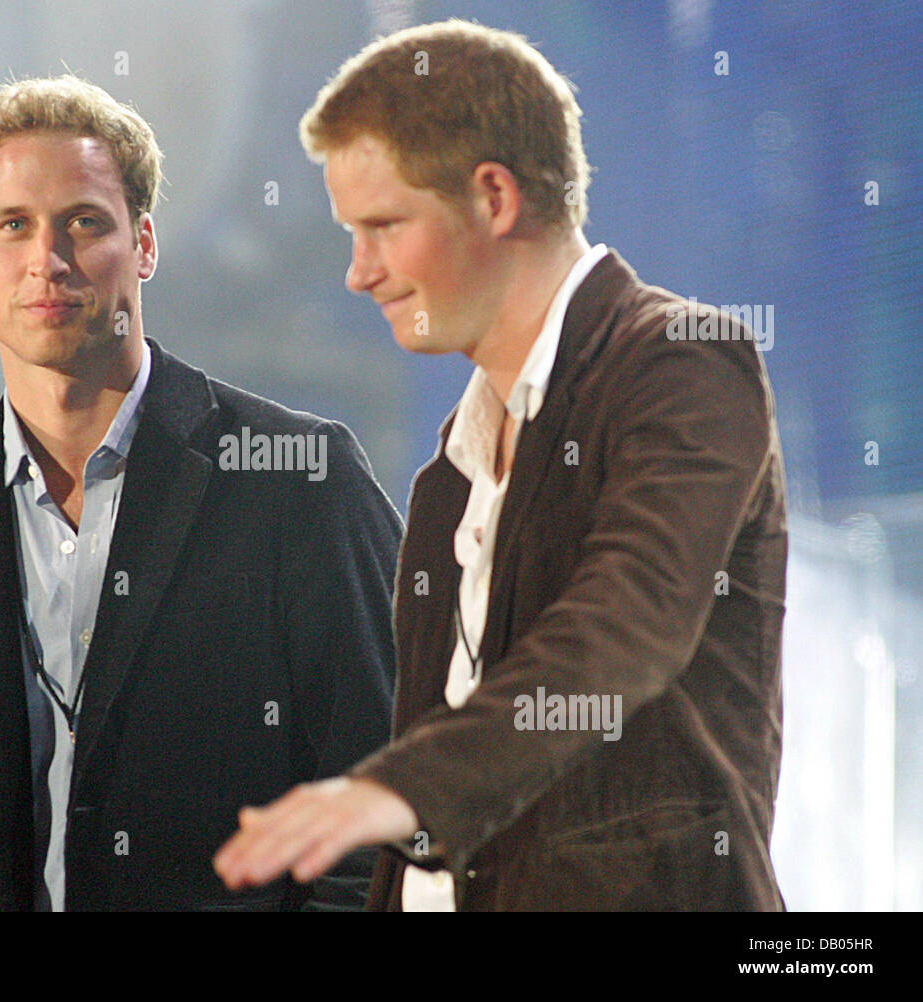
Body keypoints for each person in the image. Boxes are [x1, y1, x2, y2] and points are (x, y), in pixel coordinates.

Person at [214, 20, 787, 911]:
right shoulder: (446, 477)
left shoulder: (681, 358)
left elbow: (622, 629)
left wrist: (397, 787)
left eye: (383, 226)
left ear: (494, 197)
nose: (357, 273)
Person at [0, 75, 402, 911]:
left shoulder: (301, 477)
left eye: (83, 222)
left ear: (145, 244)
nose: (47, 259)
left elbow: (386, 806)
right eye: (14, 225)